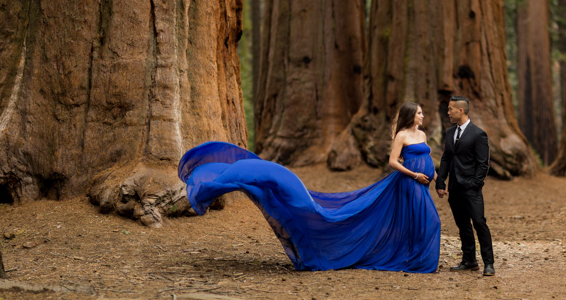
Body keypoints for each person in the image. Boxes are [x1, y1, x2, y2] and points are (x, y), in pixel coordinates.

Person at [177, 102, 440, 273]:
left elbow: (426, 158)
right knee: (425, 220)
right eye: (418, 112)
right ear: (410, 116)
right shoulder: (402, 136)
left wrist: (436, 176)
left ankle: (417, 259)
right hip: (407, 184)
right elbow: (393, 161)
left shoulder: (423, 135)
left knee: (424, 222)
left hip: (423, 184)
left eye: (422, 113)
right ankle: (415, 260)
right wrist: (414, 174)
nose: (422, 115)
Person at [435, 95, 494, 276]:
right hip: (454, 188)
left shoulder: (478, 134)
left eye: (451, 109)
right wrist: (440, 180)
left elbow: (483, 164)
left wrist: (474, 184)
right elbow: (446, 158)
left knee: (479, 222)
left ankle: (489, 263)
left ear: (461, 110)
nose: (448, 112)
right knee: (463, 225)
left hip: (471, 189)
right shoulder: (450, 133)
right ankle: (469, 260)